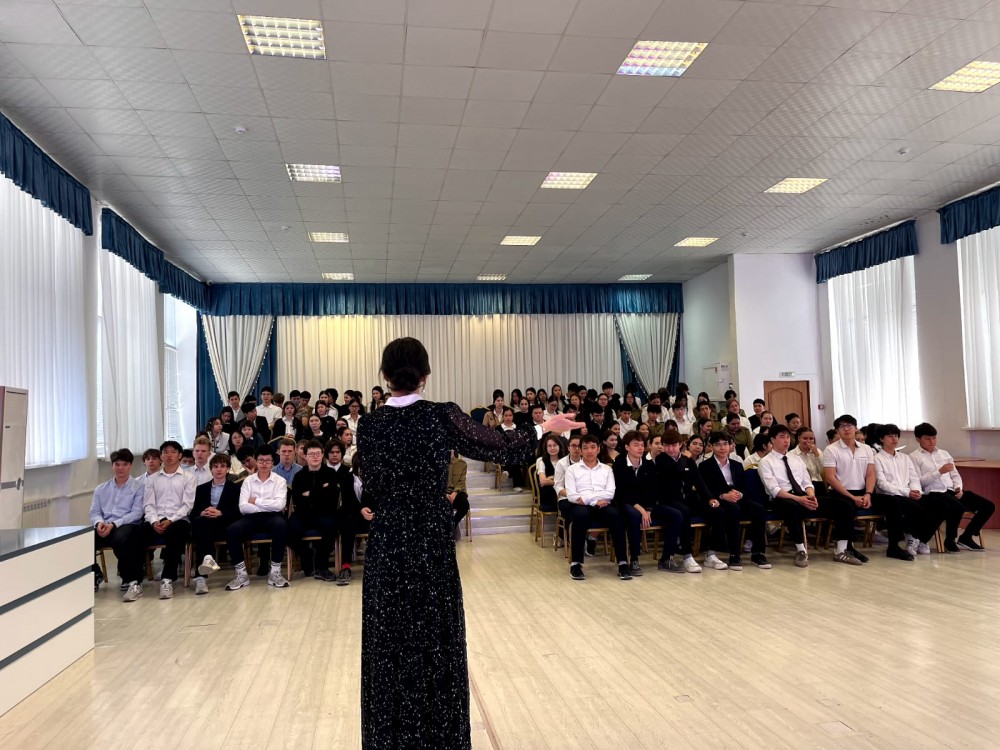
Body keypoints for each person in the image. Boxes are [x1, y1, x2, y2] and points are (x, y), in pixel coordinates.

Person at [355, 337, 581, 749]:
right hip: (429, 538)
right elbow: (500, 447)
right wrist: (544, 427)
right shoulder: (441, 415)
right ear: (426, 375)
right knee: (435, 637)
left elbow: (371, 481)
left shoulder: (369, 425)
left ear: (385, 376)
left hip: (388, 540)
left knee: (388, 640)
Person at [759, 425, 857, 567]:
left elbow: (807, 482)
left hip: (803, 496)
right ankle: (801, 550)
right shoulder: (766, 462)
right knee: (792, 507)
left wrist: (811, 496)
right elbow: (774, 489)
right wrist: (799, 499)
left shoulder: (795, 459)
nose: (786, 440)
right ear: (773, 440)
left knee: (844, 505)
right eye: (781, 437)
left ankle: (841, 550)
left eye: (788, 437)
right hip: (782, 499)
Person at [823, 414, 900, 563]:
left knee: (892, 502)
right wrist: (852, 497)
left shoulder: (866, 449)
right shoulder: (831, 450)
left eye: (850, 426)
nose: (847, 429)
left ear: (856, 428)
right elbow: (830, 477)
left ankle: (894, 547)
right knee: (846, 506)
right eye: (842, 426)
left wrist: (868, 494)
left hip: (863, 492)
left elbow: (871, 474)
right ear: (837, 430)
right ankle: (844, 549)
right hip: (840, 492)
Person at [910, 422, 994, 551]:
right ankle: (950, 540)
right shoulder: (914, 457)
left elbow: (955, 475)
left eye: (934, 438)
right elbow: (919, 482)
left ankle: (966, 537)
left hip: (951, 490)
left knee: (988, 506)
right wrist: (939, 472)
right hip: (934, 492)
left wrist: (958, 487)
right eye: (927, 439)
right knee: (957, 507)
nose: (932, 442)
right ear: (918, 439)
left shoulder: (944, 454)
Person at [613, 431, 682, 576]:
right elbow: (621, 492)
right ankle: (634, 559)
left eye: (642, 445)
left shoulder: (648, 464)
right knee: (634, 516)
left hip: (647, 505)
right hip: (627, 504)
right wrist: (641, 509)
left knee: (676, 515)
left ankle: (666, 558)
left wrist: (649, 509)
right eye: (636, 445)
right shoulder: (619, 464)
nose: (640, 448)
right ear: (626, 447)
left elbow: (654, 490)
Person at [564, 434, 631, 581]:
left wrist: (588, 498)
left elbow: (610, 493)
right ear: (580, 450)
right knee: (580, 516)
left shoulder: (606, 469)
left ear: (599, 449)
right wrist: (594, 500)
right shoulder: (572, 470)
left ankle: (623, 563)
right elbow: (572, 495)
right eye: (585, 448)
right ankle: (576, 564)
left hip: (603, 504)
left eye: (593, 447)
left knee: (616, 517)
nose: (589, 451)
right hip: (582, 505)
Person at [699, 432, 769, 570]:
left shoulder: (737, 465)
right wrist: (722, 496)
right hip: (720, 499)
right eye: (718, 445)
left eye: (725, 444)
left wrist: (740, 494)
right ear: (711, 447)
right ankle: (734, 554)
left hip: (737, 497)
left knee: (759, 510)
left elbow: (744, 487)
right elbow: (705, 489)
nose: (722, 448)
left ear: (730, 445)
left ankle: (758, 553)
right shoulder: (705, 466)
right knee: (733, 509)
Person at [224, 446, 290, 591]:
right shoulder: (248, 481)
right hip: (252, 518)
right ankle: (241, 574)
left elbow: (279, 505)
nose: (264, 463)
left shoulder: (280, 481)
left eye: (267, 461)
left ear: (272, 462)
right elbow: (243, 507)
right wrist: (266, 505)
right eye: (261, 460)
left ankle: (275, 573)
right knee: (231, 531)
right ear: (256, 460)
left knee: (282, 526)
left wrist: (256, 501)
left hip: (273, 517)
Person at [142, 440, 197, 599]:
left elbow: (187, 505)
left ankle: (167, 579)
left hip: (179, 520)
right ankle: (133, 581)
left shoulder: (189, 477)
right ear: (161, 456)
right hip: (156, 519)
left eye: (173, 452)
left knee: (175, 533)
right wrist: (154, 521)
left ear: (179, 455)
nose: (169, 455)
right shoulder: (152, 479)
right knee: (136, 533)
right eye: (165, 452)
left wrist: (171, 520)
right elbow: (148, 504)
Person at [89, 449, 145, 601]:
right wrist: (99, 523)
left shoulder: (139, 487)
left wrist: (114, 524)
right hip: (105, 525)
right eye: (117, 464)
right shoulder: (101, 488)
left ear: (130, 465)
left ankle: (132, 580)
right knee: (83, 538)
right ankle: (95, 573)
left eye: (124, 464)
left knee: (120, 539)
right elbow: (94, 512)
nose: (120, 468)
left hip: (128, 525)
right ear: (112, 466)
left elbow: (137, 513)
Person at [653, 430, 705, 573]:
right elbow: (676, 471)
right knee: (684, 511)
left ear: (680, 444)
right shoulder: (661, 459)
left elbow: (699, 482)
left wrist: (711, 498)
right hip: (667, 501)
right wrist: (685, 457)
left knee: (712, 509)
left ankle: (710, 552)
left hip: (686, 500)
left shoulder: (688, 461)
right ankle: (687, 554)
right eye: (667, 445)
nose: (670, 449)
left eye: (674, 445)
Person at [288, 440, 340, 582]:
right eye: (311, 454)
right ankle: (307, 554)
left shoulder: (330, 473)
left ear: (323, 455)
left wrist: (310, 494)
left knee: (331, 526)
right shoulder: (299, 476)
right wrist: (321, 491)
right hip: (303, 513)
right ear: (305, 456)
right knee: (288, 530)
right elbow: (298, 499)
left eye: (318, 453)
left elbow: (332, 497)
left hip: (325, 512)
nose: (315, 456)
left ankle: (322, 566)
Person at [190, 453, 241, 595]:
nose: (219, 469)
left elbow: (238, 511)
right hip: (205, 523)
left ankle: (204, 569)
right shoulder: (201, 489)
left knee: (203, 528)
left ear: (228, 469)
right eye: (215, 466)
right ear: (211, 469)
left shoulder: (235, 488)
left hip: (225, 524)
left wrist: (220, 513)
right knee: (201, 523)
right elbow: (193, 511)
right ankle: (203, 572)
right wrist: (202, 512)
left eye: (222, 466)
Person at [447, 451, 471, 541]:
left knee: (464, 505)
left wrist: (454, 493)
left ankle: (452, 526)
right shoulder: (438, 464)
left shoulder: (462, 464)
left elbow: (461, 481)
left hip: (458, 492)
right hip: (443, 493)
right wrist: (445, 495)